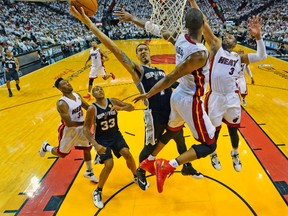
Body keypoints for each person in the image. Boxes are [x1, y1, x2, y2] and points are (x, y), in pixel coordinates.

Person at [69, 6, 202, 193]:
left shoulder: (160, 71)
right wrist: (90, 24)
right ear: (136, 55)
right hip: (154, 115)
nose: (143, 52)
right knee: (150, 146)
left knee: (180, 138)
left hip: (171, 111)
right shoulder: (139, 71)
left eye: (145, 49)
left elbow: (172, 85)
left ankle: (186, 166)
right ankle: (140, 171)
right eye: (139, 50)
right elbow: (114, 49)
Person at [133, 7, 216, 193]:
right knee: (210, 144)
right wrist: (148, 94)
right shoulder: (199, 54)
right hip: (190, 99)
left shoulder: (179, 38)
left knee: (172, 131)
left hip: (177, 96)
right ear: (203, 25)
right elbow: (169, 78)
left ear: (185, 26)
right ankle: (170, 165)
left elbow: (156, 28)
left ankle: (149, 161)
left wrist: (133, 19)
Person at [189, 0, 266, 172]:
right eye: (226, 35)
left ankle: (235, 153)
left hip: (231, 97)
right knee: (214, 132)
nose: (228, 36)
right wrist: (192, 2)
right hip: (215, 97)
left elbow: (262, 56)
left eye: (231, 36)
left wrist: (258, 36)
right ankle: (213, 153)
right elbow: (204, 22)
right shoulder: (217, 48)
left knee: (233, 131)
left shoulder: (239, 58)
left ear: (235, 44)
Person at [39, 78, 106, 183]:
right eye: (64, 84)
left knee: (87, 148)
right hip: (68, 130)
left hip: (81, 127)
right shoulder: (62, 103)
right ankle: (46, 147)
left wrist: (99, 112)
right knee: (62, 154)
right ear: (61, 89)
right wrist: (86, 123)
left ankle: (89, 171)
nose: (68, 84)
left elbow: (88, 107)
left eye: (67, 82)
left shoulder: (77, 95)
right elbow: (69, 123)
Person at [82, 85, 137, 209]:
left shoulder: (112, 101)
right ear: (93, 95)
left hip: (115, 134)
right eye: (96, 90)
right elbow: (85, 129)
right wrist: (95, 145)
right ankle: (98, 191)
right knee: (109, 164)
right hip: (102, 139)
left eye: (101, 88)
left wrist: (122, 108)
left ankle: (135, 176)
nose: (100, 90)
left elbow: (131, 107)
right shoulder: (92, 108)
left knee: (127, 154)